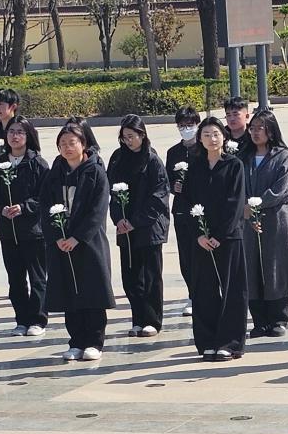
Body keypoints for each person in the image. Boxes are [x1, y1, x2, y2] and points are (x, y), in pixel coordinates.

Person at [40, 122, 116, 363]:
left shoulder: (95, 171)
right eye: (62, 144)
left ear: (83, 144)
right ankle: (76, 341)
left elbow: (97, 210)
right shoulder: (55, 173)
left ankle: (94, 341)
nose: (67, 148)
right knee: (69, 292)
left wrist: (77, 237)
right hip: (61, 243)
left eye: (72, 143)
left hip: (88, 242)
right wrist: (57, 236)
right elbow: (45, 207)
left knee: (92, 292)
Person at [183, 116, 247, 361]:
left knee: (232, 290)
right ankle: (207, 340)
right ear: (200, 139)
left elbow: (235, 203)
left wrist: (219, 235)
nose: (212, 139)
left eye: (216, 134)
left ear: (224, 137)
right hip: (201, 239)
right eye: (207, 134)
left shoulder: (234, 165)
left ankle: (230, 343)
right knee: (204, 290)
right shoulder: (194, 167)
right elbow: (187, 202)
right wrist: (199, 234)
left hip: (228, 237)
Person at [107, 114, 170, 338]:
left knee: (150, 276)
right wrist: (118, 219)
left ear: (142, 135)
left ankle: (152, 320)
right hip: (125, 228)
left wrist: (135, 221)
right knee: (131, 276)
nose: (128, 141)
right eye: (124, 137)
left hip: (148, 227)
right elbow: (111, 192)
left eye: (132, 136)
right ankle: (138, 318)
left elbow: (159, 196)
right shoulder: (117, 158)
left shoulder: (152, 160)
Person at [0, 116, 49, 337]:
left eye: (20, 132)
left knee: (38, 278)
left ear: (28, 136)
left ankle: (38, 319)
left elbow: (45, 197)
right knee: (16, 279)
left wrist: (24, 207)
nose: (15, 136)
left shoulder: (38, 163)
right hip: (8, 231)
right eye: (11, 131)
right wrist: (1, 208)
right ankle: (21, 320)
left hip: (33, 231)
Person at [244, 109, 288, 338]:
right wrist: (245, 208)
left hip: (276, 220)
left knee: (276, 265)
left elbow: (281, 189)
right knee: (252, 268)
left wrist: (256, 204)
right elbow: (237, 186)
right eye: (252, 128)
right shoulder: (243, 157)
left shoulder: (283, 156)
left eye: (261, 128)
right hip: (248, 220)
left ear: (271, 130)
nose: (256, 132)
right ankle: (259, 321)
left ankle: (278, 319)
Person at [165, 104, 202, 318]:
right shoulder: (173, 152)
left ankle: (207, 292)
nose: (186, 129)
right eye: (182, 125)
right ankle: (192, 295)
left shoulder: (203, 149)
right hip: (181, 210)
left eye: (190, 124)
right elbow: (167, 180)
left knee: (202, 253)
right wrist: (174, 186)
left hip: (202, 209)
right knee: (186, 255)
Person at [223, 95, 255, 160]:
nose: (232, 119)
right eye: (228, 115)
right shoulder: (222, 136)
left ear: (247, 116)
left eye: (235, 114)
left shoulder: (253, 136)